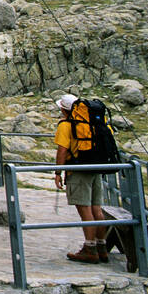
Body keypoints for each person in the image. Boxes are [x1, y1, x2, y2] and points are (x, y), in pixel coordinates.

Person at [52, 93, 109, 264]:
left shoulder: (66, 125)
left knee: (85, 211)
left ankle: (89, 249)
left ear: (63, 109)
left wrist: (58, 172)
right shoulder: (93, 122)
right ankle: (102, 247)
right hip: (95, 167)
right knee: (96, 208)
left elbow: (62, 150)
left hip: (78, 170)